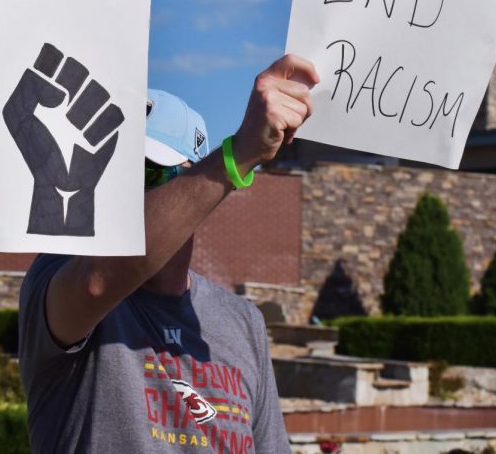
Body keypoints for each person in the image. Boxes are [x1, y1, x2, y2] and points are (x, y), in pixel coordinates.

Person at [19, 55, 319, 453]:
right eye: (113, 174)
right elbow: (97, 283)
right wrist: (239, 155)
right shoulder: (57, 276)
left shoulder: (242, 322)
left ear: (193, 185)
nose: (126, 195)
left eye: (148, 173)